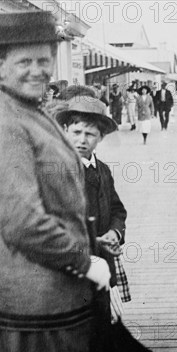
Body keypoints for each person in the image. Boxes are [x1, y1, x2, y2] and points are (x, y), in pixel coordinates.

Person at [0, 11, 111, 352]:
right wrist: (85, 262)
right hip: (26, 309)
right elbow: (21, 223)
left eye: (44, 59)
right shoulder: (4, 126)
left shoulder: (33, 114)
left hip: (52, 296)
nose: (37, 70)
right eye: (24, 61)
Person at [55, 92, 131, 307]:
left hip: (102, 261)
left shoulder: (103, 170)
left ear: (101, 137)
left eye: (89, 134)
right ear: (65, 131)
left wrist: (115, 232)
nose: (82, 140)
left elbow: (117, 210)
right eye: (76, 132)